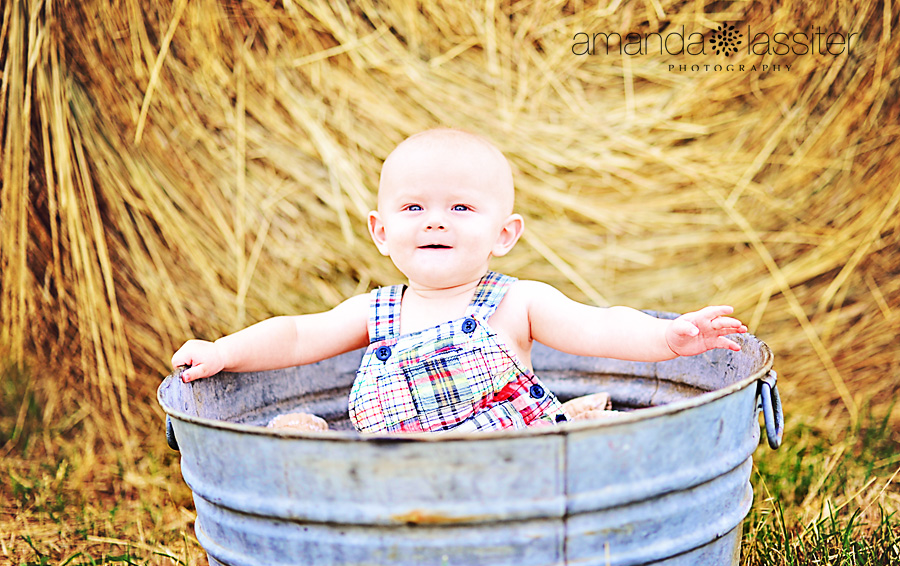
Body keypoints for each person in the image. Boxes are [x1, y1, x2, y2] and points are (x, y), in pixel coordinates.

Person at [171, 128, 747, 433]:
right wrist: (225, 352)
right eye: (414, 207)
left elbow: (597, 329)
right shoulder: (375, 313)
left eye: (462, 208)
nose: (436, 220)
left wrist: (665, 340)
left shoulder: (517, 303)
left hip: (510, 485)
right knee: (303, 440)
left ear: (504, 234)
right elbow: (297, 336)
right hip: (406, 495)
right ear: (381, 232)